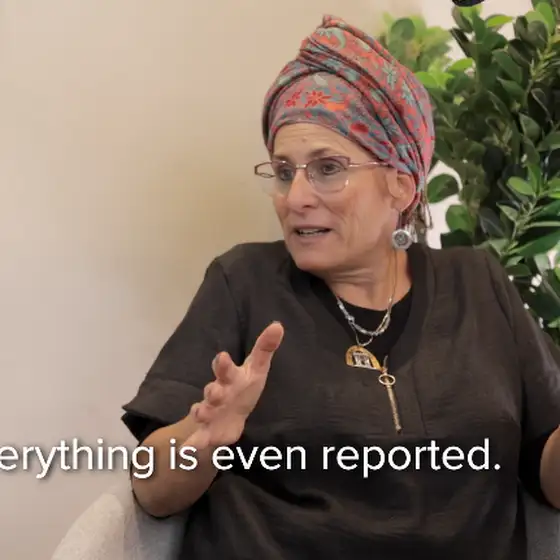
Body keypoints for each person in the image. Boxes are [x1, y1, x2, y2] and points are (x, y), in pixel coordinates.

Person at [121, 15, 560, 560]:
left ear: (401, 184)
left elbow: (549, 479)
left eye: (327, 168)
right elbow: (152, 492)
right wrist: (201, 438)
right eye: (284, 172)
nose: (295, 197)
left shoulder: (478, 283)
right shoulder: (243, 282)